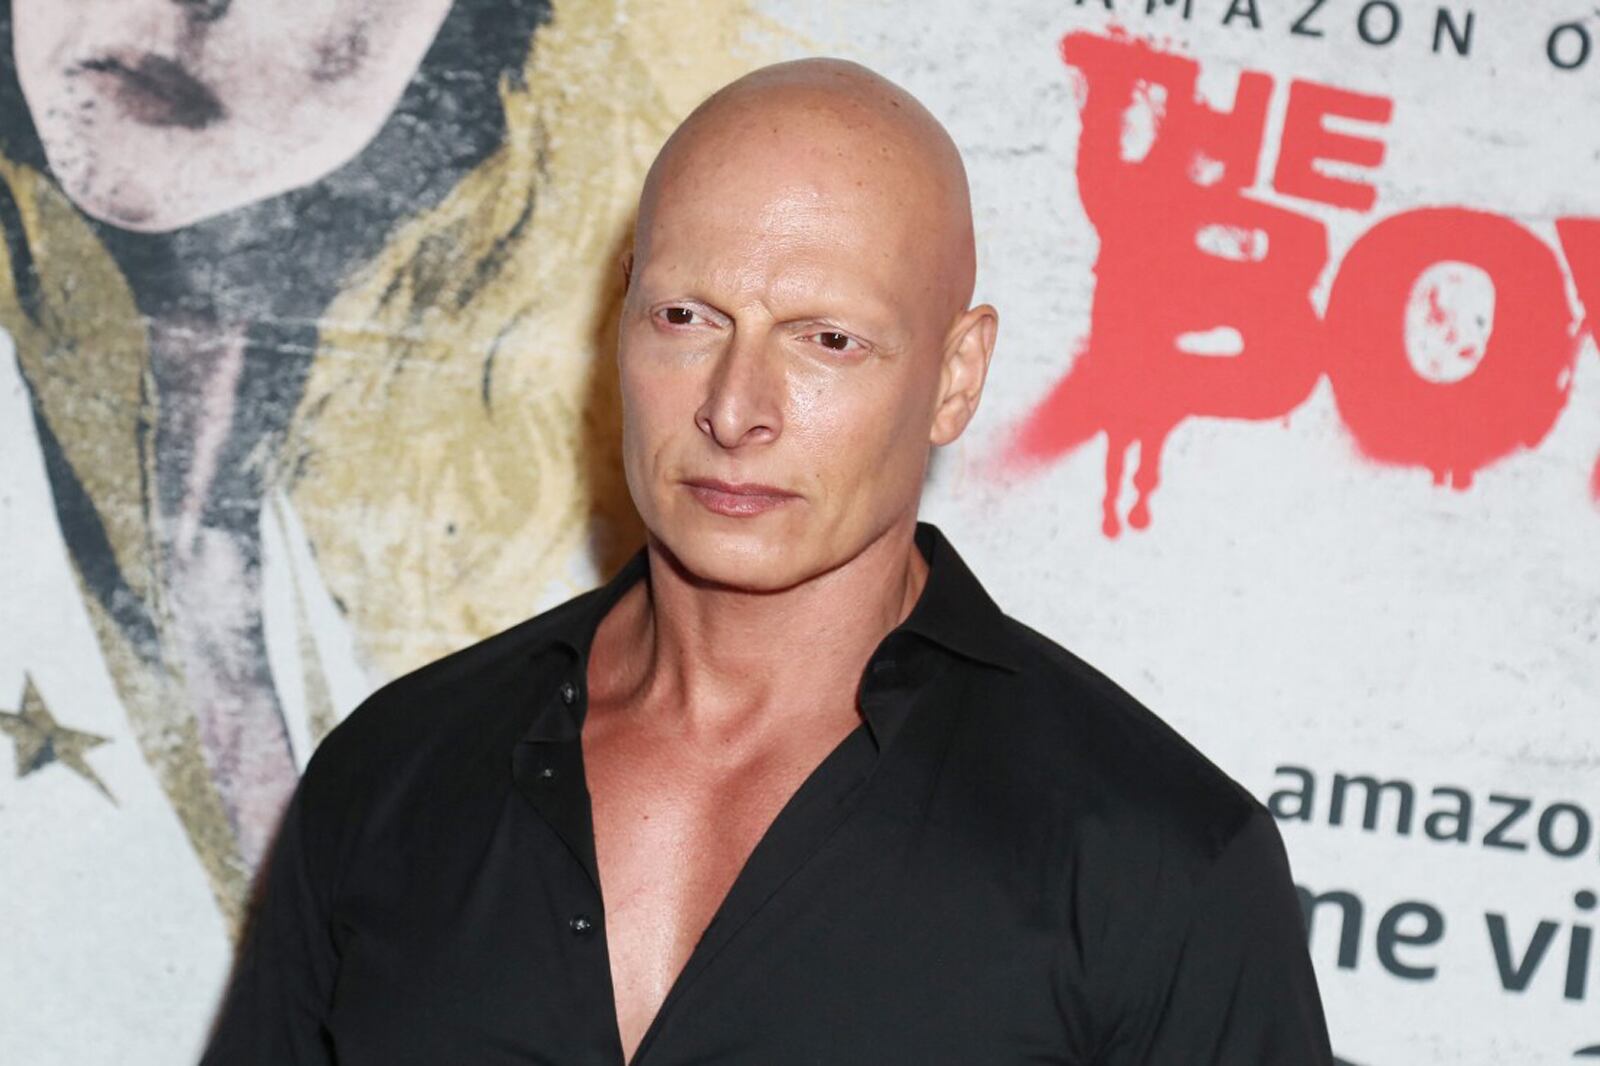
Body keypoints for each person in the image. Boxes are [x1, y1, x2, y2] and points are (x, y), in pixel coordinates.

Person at [202, 57, 1333, 1065]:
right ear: (622, 320)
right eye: (686, 318)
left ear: (954, 377)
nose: (736, 409)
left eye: (828, 340)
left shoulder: (1159, 863)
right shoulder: (394, 774)